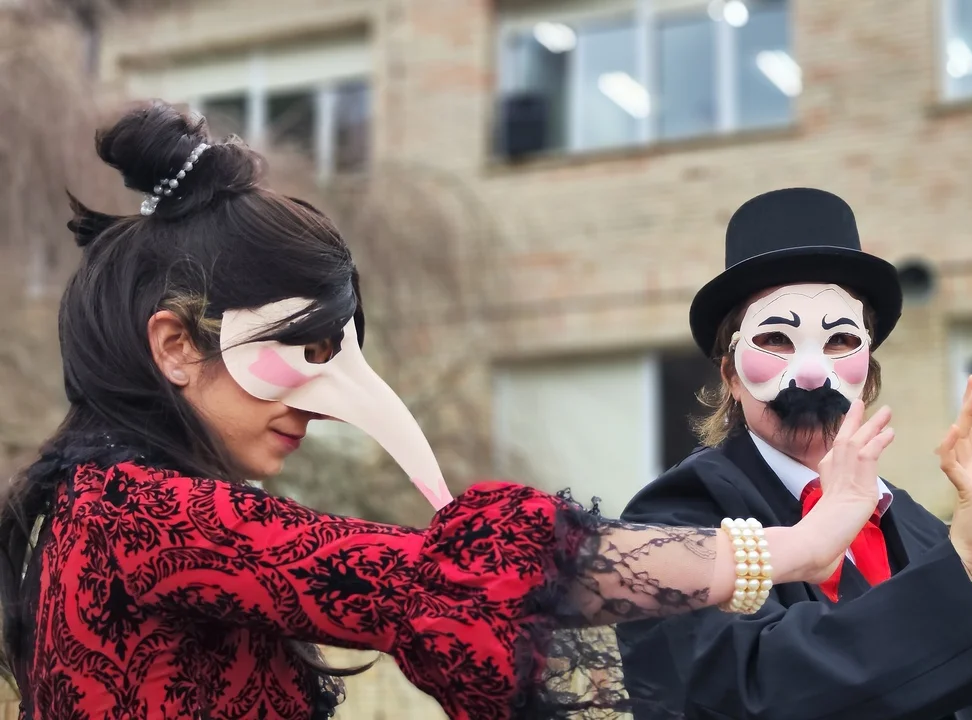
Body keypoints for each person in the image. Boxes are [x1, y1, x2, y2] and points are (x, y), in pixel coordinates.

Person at [0, 105, 899, 720]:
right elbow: (456, 578)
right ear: (174, 346)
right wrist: (794, 548)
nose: (326, 404)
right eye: (303, 350)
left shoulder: (110, 510)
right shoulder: (137, 514)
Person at [616, 188, 972, 720]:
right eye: (776, 339)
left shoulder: (919, 529)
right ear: (731, 377)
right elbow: (750, 691)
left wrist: (959, 557)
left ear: (868, 373)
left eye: (840, 341)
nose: (813, 373)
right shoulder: (676, 519)